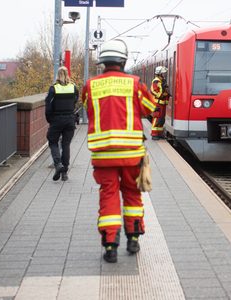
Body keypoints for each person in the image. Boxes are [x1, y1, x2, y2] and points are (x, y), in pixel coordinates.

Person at [81, 39, 156, 263]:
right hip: (131, 154)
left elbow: (87, 106)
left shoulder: (91, 85)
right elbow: (151, 108)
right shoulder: (134, 83)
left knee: (108, 195)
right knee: (132, 195)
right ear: (123, 60)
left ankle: (110, 247)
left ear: (102, 61)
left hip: (103, 155)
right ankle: (133, 239)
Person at [45, 66, 79, 182]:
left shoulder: (53, 88)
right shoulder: (73, 87)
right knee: (66, 145)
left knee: (53, 141)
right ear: (67, 74)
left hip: (57, 119)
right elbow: (75, 100)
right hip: (70, 119)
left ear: (57, 75)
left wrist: (50, 119)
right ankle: (64, 173)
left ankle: (58, 164)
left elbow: (48, 106)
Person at [150, 66, 170, 140]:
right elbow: (153, 91)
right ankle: (154, 134)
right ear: (159, 73)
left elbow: (165, 90)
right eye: (163, 73)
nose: (164, 75)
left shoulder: (162, 81)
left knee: (161, 119)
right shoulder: (156, 81)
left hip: (162, 103)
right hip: (158, 103)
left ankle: (159, 133)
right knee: (157, 118)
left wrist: (167, 93)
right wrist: (161, 95)